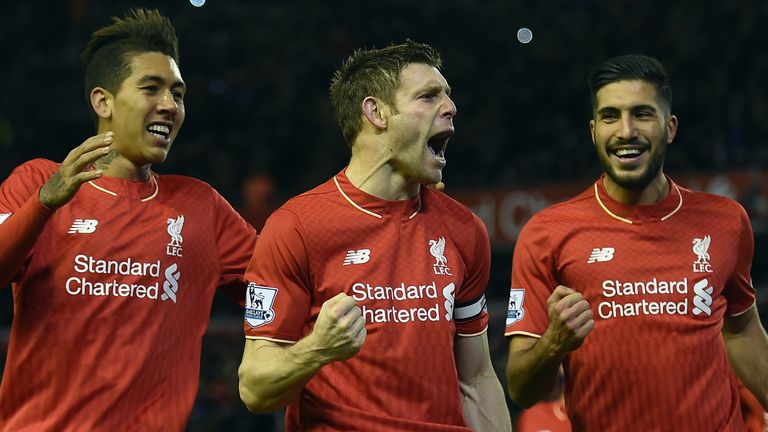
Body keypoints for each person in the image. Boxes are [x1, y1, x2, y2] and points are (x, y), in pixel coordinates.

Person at [0, 9, 256, 431]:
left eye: (178, 93)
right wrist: (44, 204)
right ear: (103, 100)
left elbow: (279, 291)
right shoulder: (36, 181)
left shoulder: (200, 206)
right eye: (151, 88)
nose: (169, 105)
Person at [237, 40, 511, 431]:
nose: (451, 108)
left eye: (447, 96)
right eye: (429, 96)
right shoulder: (297, 226)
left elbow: (478, 380)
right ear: (376, 112)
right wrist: (317, 350)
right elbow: (254, 389)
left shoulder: (464, 230)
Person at [504, 54, 768, 431]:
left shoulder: (726, 220)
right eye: (610, 116)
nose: (626, 131)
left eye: (642, 113)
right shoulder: (547, 233)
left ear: (670, 126)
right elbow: (520, 388)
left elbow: (741, 330)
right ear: (593, 130)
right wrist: (554, 343)